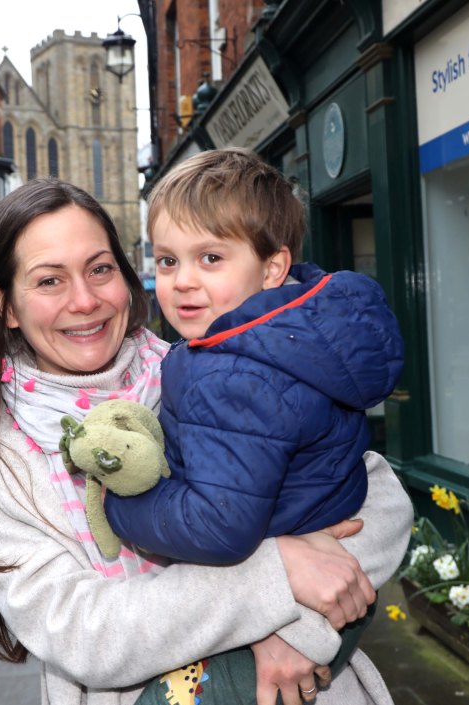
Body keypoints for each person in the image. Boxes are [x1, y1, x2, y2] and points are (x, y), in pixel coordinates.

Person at [0, 178, 413, 705]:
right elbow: (84, 632)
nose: (85, 301)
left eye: (100, 269)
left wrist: (297, 635)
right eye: (49, 281)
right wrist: (278, 575)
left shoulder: (210, 368)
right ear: (6, 306)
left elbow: (379, 498)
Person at [102, 148, 404, 702]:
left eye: (210, 258)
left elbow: (220, 527)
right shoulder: (289, 338)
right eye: (168, 261)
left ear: (272, 268)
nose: (183, 281)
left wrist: (121, 505)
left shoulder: (230, 373)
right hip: (306, 582)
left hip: (273, 621)